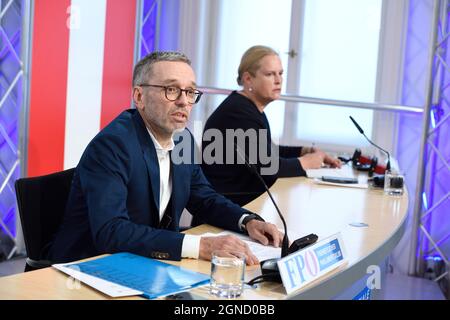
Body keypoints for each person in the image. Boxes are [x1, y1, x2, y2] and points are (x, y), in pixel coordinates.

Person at [48, 51, 283, 265]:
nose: (183, 101)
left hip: (145, 262)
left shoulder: (182, 139)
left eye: (190, 92)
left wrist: (247, 221)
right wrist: (199, 246)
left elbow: (204, 197)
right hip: (87, 268)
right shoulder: (113, 146)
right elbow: (111, 231)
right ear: (139, 96)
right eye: (171, 90)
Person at [200, 45, 341, 209]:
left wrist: (304, 151)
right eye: (270, 74)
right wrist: (305, 162)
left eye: (280, 73)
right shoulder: (238, 113)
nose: (278, 80)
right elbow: (268, 166)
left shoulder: (249, 107)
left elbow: (267, 151)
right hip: (225, 211)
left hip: (241, 205)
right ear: (248, 79)